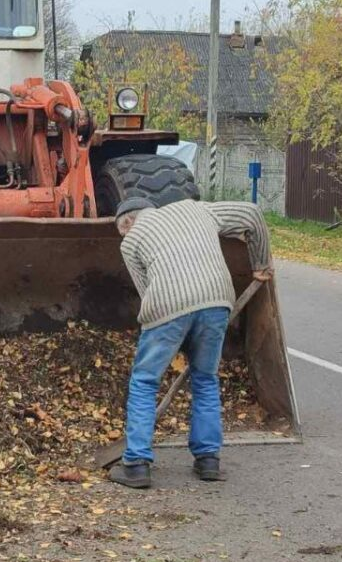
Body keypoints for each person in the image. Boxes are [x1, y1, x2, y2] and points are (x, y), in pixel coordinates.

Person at [109, 194, 273, 489]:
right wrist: (260, 264)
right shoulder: (196, 209)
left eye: (122, 229)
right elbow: (252, 213)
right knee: (206, 379)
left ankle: (135, 464)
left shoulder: (131, 242)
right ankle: (208, 460)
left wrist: (174, 334)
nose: (124, 235)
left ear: (130, 221)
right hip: (217, 300)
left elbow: (147, 293)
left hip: (167, 306)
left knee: (145, 382)